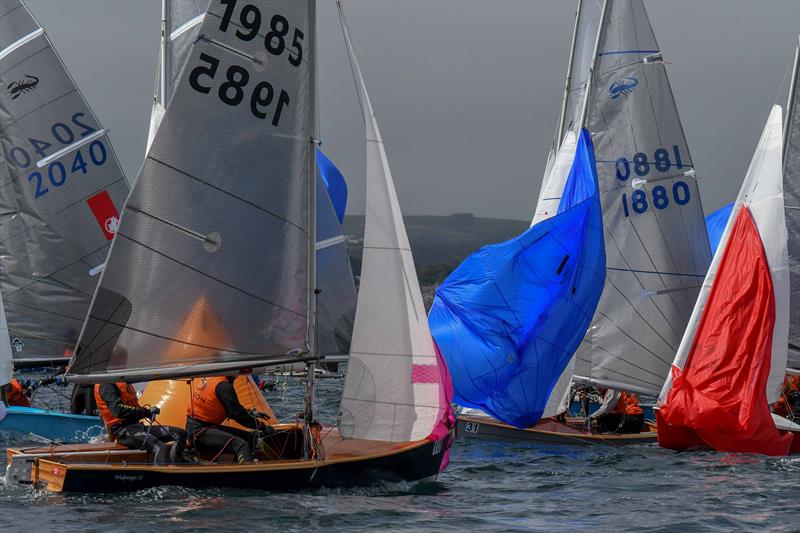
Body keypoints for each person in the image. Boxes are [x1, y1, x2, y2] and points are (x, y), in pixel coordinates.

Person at [185, 376, 275, 464]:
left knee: (249, 437)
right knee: (241, 444)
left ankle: (238, 465)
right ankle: (246, 474)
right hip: (199, 431)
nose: (238, 376)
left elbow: (232, 408)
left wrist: (250, 412)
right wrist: (261, 426)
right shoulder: (223, 386)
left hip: (202, 427)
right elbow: (238, 415)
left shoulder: (214, 379)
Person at [94, 382, 186, 465]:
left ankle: (177, 467)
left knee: (180, 434)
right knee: (161, 447)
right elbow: (118, 410)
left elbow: (132, 407)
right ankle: (163, 480)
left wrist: (148, 413)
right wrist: (146, 412)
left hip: (137, 427)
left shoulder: (123, 381)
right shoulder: (106, 384)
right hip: (123, 431)